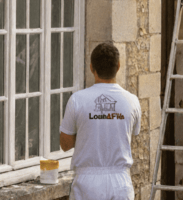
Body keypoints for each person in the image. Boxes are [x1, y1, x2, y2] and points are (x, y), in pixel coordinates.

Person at [60, 42, 141, 200]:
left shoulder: (77, 100)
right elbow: (129, 134)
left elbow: (65, 144)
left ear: (91, 68)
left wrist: (86, 131)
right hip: (120, 183)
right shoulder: (132, 101)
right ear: (118, 66)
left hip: (87, 184)